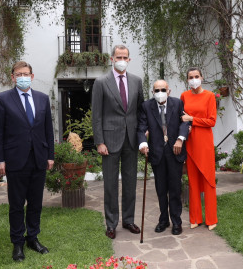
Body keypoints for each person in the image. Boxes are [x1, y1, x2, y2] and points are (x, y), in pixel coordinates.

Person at [0, 61, 54, 261]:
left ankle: (32, 238)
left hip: (39, 159)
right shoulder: (3, 99)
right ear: (12, 77)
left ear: (32, 76)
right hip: (15, 160)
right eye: (18, 74)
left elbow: (48, 131)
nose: (22, 77)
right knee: (17, 204)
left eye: (26, 74)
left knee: (36, 203)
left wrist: (50, 155)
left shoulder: (43, 99)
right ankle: (17, 242)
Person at [92, 44, 144, 239]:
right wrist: (99, 141)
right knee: (110, 185)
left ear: (129, 60)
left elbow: (140, 112)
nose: (122, 60)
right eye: (118, 57)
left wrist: (141, 136)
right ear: (112, 58)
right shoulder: (101, 82)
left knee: (131, 182)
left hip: (131, 140)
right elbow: (96, 115)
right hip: (109, 141)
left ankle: (128, 220)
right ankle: (111, 223)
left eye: (125, 57)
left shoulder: (137, 81)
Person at [137, 80, 190, 235]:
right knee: (161, 190)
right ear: (153, 92)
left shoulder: (178, 103)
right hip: (157, 153)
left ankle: (176, 222)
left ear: (169, 90)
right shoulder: (147, 106)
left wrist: (181, 138)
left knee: (175, 188)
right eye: (156, 90)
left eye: (163, 89)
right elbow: (141, 128)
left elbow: (185, 123)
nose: (160, 92)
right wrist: (142, 144)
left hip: (175, 151)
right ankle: (163, 220)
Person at [181, 67, 218, 230]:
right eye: (191, 77)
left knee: (208, 180)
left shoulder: (210, 96)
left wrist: (192, 119)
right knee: (193, 181)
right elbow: (181, 118)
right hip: (189, 142)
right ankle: (195, 218)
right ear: (187, 80)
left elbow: (211, 121)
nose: (194, 79)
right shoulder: (184, 96)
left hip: (205, 143)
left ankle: (211, 219)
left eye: (196, 76)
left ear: (202, 78)